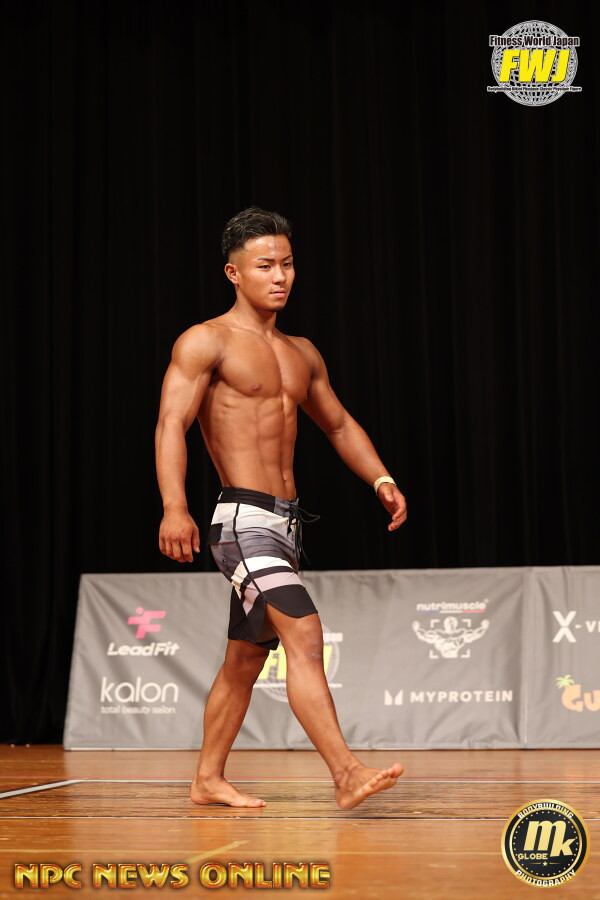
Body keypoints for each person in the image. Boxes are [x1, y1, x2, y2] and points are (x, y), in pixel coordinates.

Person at [155, 207, 407, 810]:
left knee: (245, 660)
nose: (280, 276)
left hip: (285, 524)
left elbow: (338, 424)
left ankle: (207, 779)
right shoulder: (206, 341)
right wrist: (173, 507)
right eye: (265, 265)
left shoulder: (301, 353)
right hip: (242, 521)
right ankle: (345, 772)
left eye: (287, 264)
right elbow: (170, 425)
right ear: (233, 273)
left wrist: (380, 478)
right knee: (305, 632)